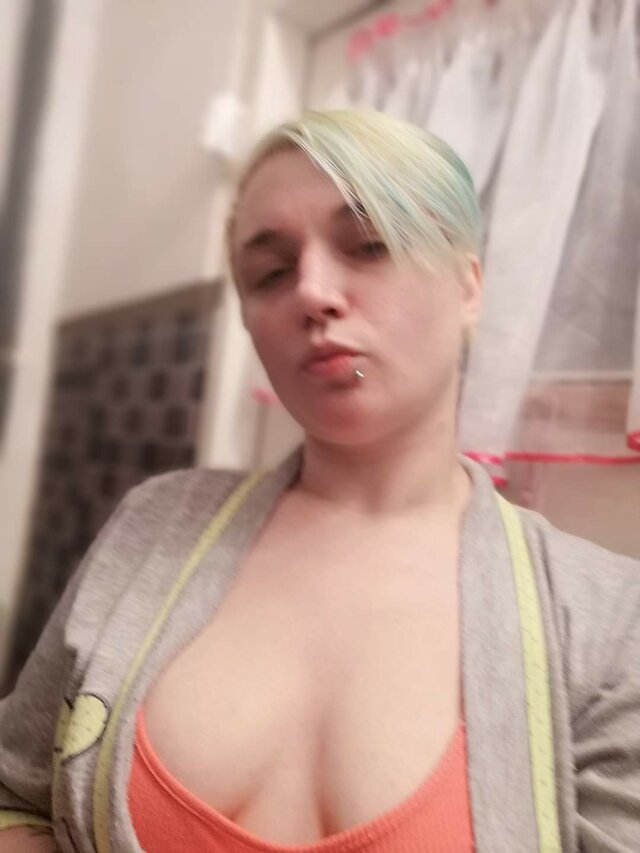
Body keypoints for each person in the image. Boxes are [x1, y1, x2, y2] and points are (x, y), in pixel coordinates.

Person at [0, 109, 638, 853]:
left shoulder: (606, 621)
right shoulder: (153, 525)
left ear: (469, 287)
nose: (312, 292)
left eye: (369, 245)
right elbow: (17, 791)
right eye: (270, 273)